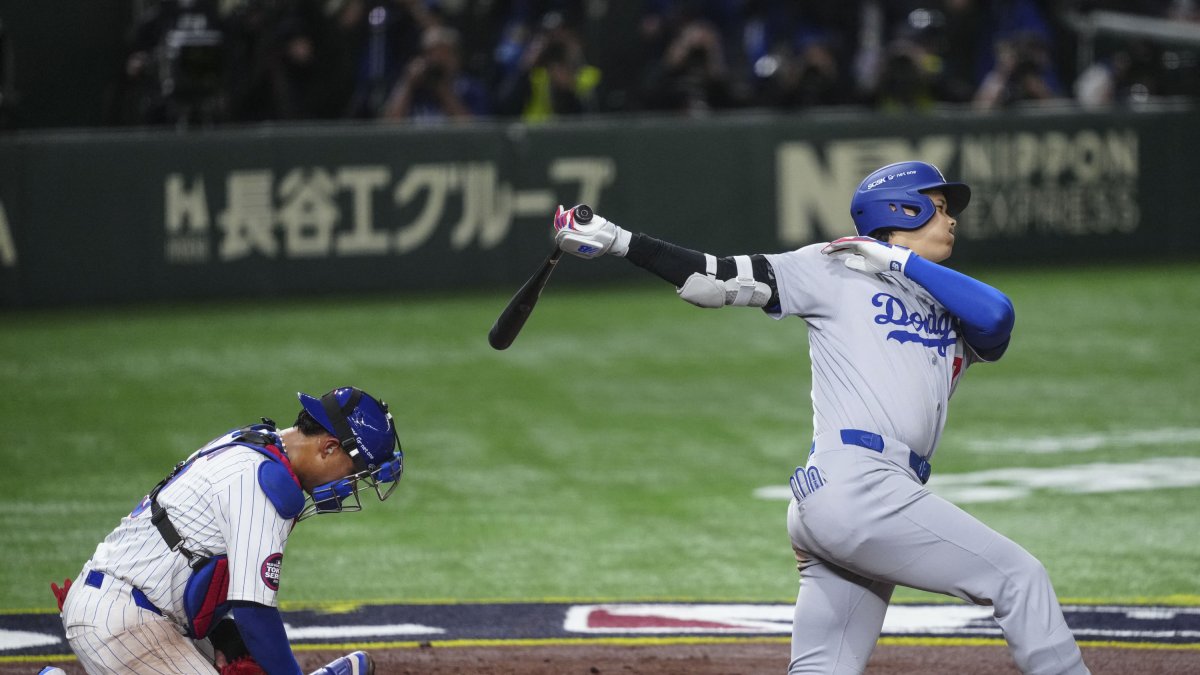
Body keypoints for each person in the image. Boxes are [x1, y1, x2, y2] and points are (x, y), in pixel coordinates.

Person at [549, 162, 1090, 675]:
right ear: (903, 210)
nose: (952, 219)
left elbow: (999, 317)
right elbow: (714, 280)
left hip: (856, 497)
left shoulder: (951, 303)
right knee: (1020, 579)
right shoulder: (832, 265)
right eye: (941, 205)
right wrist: (620, 240)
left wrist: (898, 263)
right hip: (857, 486)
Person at [51, 387, 404, 674]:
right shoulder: (265, 484)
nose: (350, 488)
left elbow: (201, 560)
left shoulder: (257, 442)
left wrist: (225, 636)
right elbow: (254, 610)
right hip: (124, 619)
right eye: (355, 473)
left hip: (131, 605)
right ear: (329, 447)